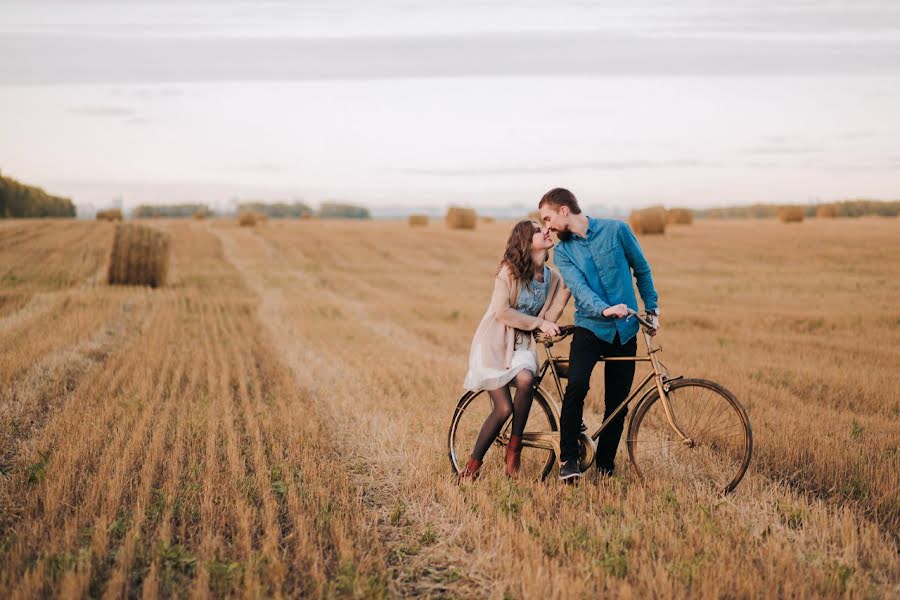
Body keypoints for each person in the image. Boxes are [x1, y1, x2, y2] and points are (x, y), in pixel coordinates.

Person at [538, 188, 660, 482]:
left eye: (548, 218)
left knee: (618, 404)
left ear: (565, 210)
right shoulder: (563, 252)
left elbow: (642, 271)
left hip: (625, 330)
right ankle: (567, 460)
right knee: (576, 388)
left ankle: (605, 466)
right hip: (589, 327)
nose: (547, 227)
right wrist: (604, 309)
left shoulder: (617, 230)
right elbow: (579, 288)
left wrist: (652, 310)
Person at [460, 220, 571, 480]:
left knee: (526, 379)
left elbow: (549, 318)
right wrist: (539, 322)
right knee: (503, 409)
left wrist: (565, 292)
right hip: (495, 342)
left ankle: (514, 447)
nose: (545, 230)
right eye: (537, 229)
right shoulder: (509, 272)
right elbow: (502, 311)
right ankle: (473, 466)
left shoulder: (553, 277)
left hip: (522, 345)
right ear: (525, 241)